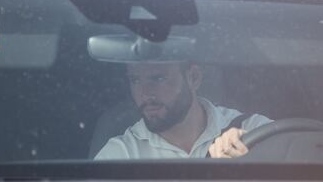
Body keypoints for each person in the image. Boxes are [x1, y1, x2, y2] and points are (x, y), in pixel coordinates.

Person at [94, 62, 272, 160]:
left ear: (193, 78)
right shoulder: (120, 155)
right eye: (135, 80)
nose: (145, 92)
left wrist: (253, 153)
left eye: (158, 78)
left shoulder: (253, 130)